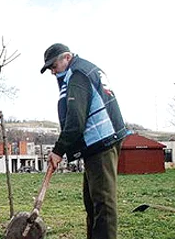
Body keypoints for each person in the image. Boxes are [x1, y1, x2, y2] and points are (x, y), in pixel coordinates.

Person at [40, 43, 128, 239]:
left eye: (54, 67)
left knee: (103, 204)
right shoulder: (84, 70)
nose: (53, 73)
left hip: (101, 142)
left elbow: (75, 121)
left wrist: (58, 150)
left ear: (67, 57)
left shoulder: (78, 75)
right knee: (92, 201)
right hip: (98, 142)